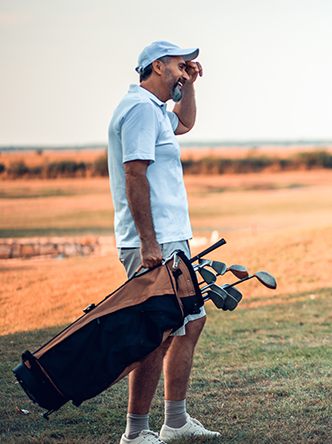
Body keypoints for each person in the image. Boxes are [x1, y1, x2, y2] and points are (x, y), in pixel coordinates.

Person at [108, 41, 219, 444]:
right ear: (157, 66)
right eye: (177, 64)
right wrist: (149, 245)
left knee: (190, 324)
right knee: (157, 332)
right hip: (154, 241)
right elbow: (135, 174)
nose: (184, 68)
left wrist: (189, 85)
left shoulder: (154, 110)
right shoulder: (138, 109)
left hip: (172, 237)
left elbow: (184, 124)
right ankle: (136, 432)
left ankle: (175, 422)